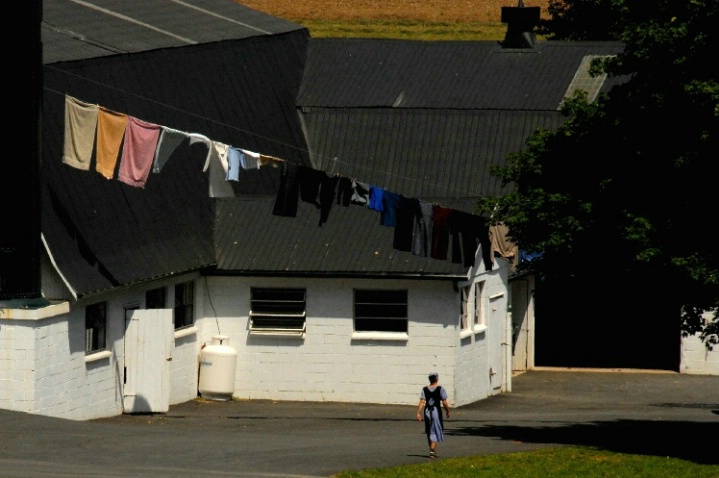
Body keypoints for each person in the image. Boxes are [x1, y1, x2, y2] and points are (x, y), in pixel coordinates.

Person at [416, 372, 450, 459]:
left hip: (427, 411)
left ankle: (432, 450)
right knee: (435, 428)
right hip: (436, 411)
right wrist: (448, 411)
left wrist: (418, 412)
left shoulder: (425, 389)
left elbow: (422, 401)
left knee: (429, 429)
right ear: (436, 379)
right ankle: (432, 450)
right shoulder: (440, 389)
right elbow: (444, 402)